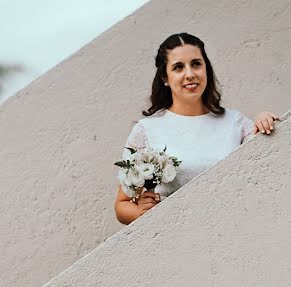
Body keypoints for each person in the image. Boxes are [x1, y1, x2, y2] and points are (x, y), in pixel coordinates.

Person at [115, 33, 279, 225]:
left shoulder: (236, 122)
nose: (190, 74)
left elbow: (266, 167)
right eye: (178, 67)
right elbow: (122, 204)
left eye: (196, 64)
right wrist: (140, 213)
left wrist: (263, 119)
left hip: (235, 226)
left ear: (206, 69)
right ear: (164, 77)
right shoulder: (147, 130)